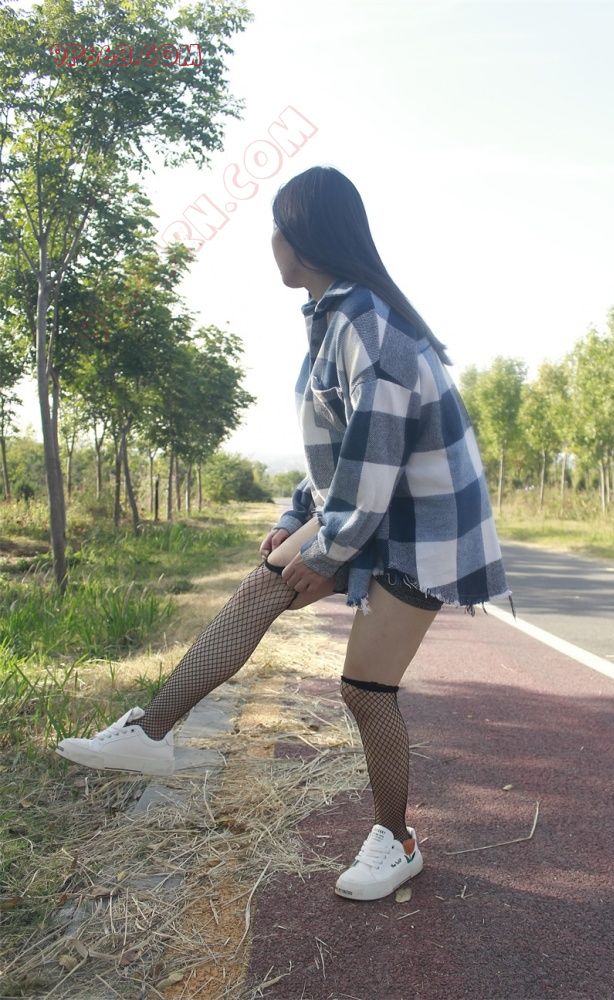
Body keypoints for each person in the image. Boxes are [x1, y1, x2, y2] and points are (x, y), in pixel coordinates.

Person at [55, 165, 515, 902]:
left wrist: (326, 553)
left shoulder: (369, 327)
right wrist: (292, 522)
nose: (269, 242)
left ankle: (396, 841)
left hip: (423, 530)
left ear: (303, 238)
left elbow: (372, 468)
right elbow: (335, 456)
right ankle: (149, 731)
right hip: (374, 508)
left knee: (364, 689)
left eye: (276, 228)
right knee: (260, 591)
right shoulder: (333, 319)